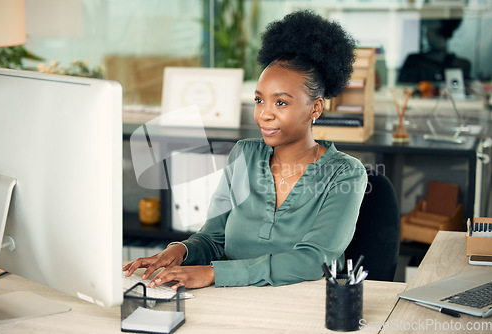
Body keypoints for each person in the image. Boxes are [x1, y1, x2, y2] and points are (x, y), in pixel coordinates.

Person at [123, 10, 368, 290]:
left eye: (281, 103)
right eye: (259, 100)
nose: (264, 115)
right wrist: (180, 250)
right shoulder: (244, 155)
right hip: (231, 299)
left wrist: (215, 274)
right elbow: (213, 238)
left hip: (306, 307)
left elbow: (315, 260)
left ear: (315, 108)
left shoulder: (345, 173)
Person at [398, 19, 471, 84]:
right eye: (435, 32)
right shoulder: (413, 61)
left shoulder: (460, 64)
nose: (429, 35)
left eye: (439, 32)